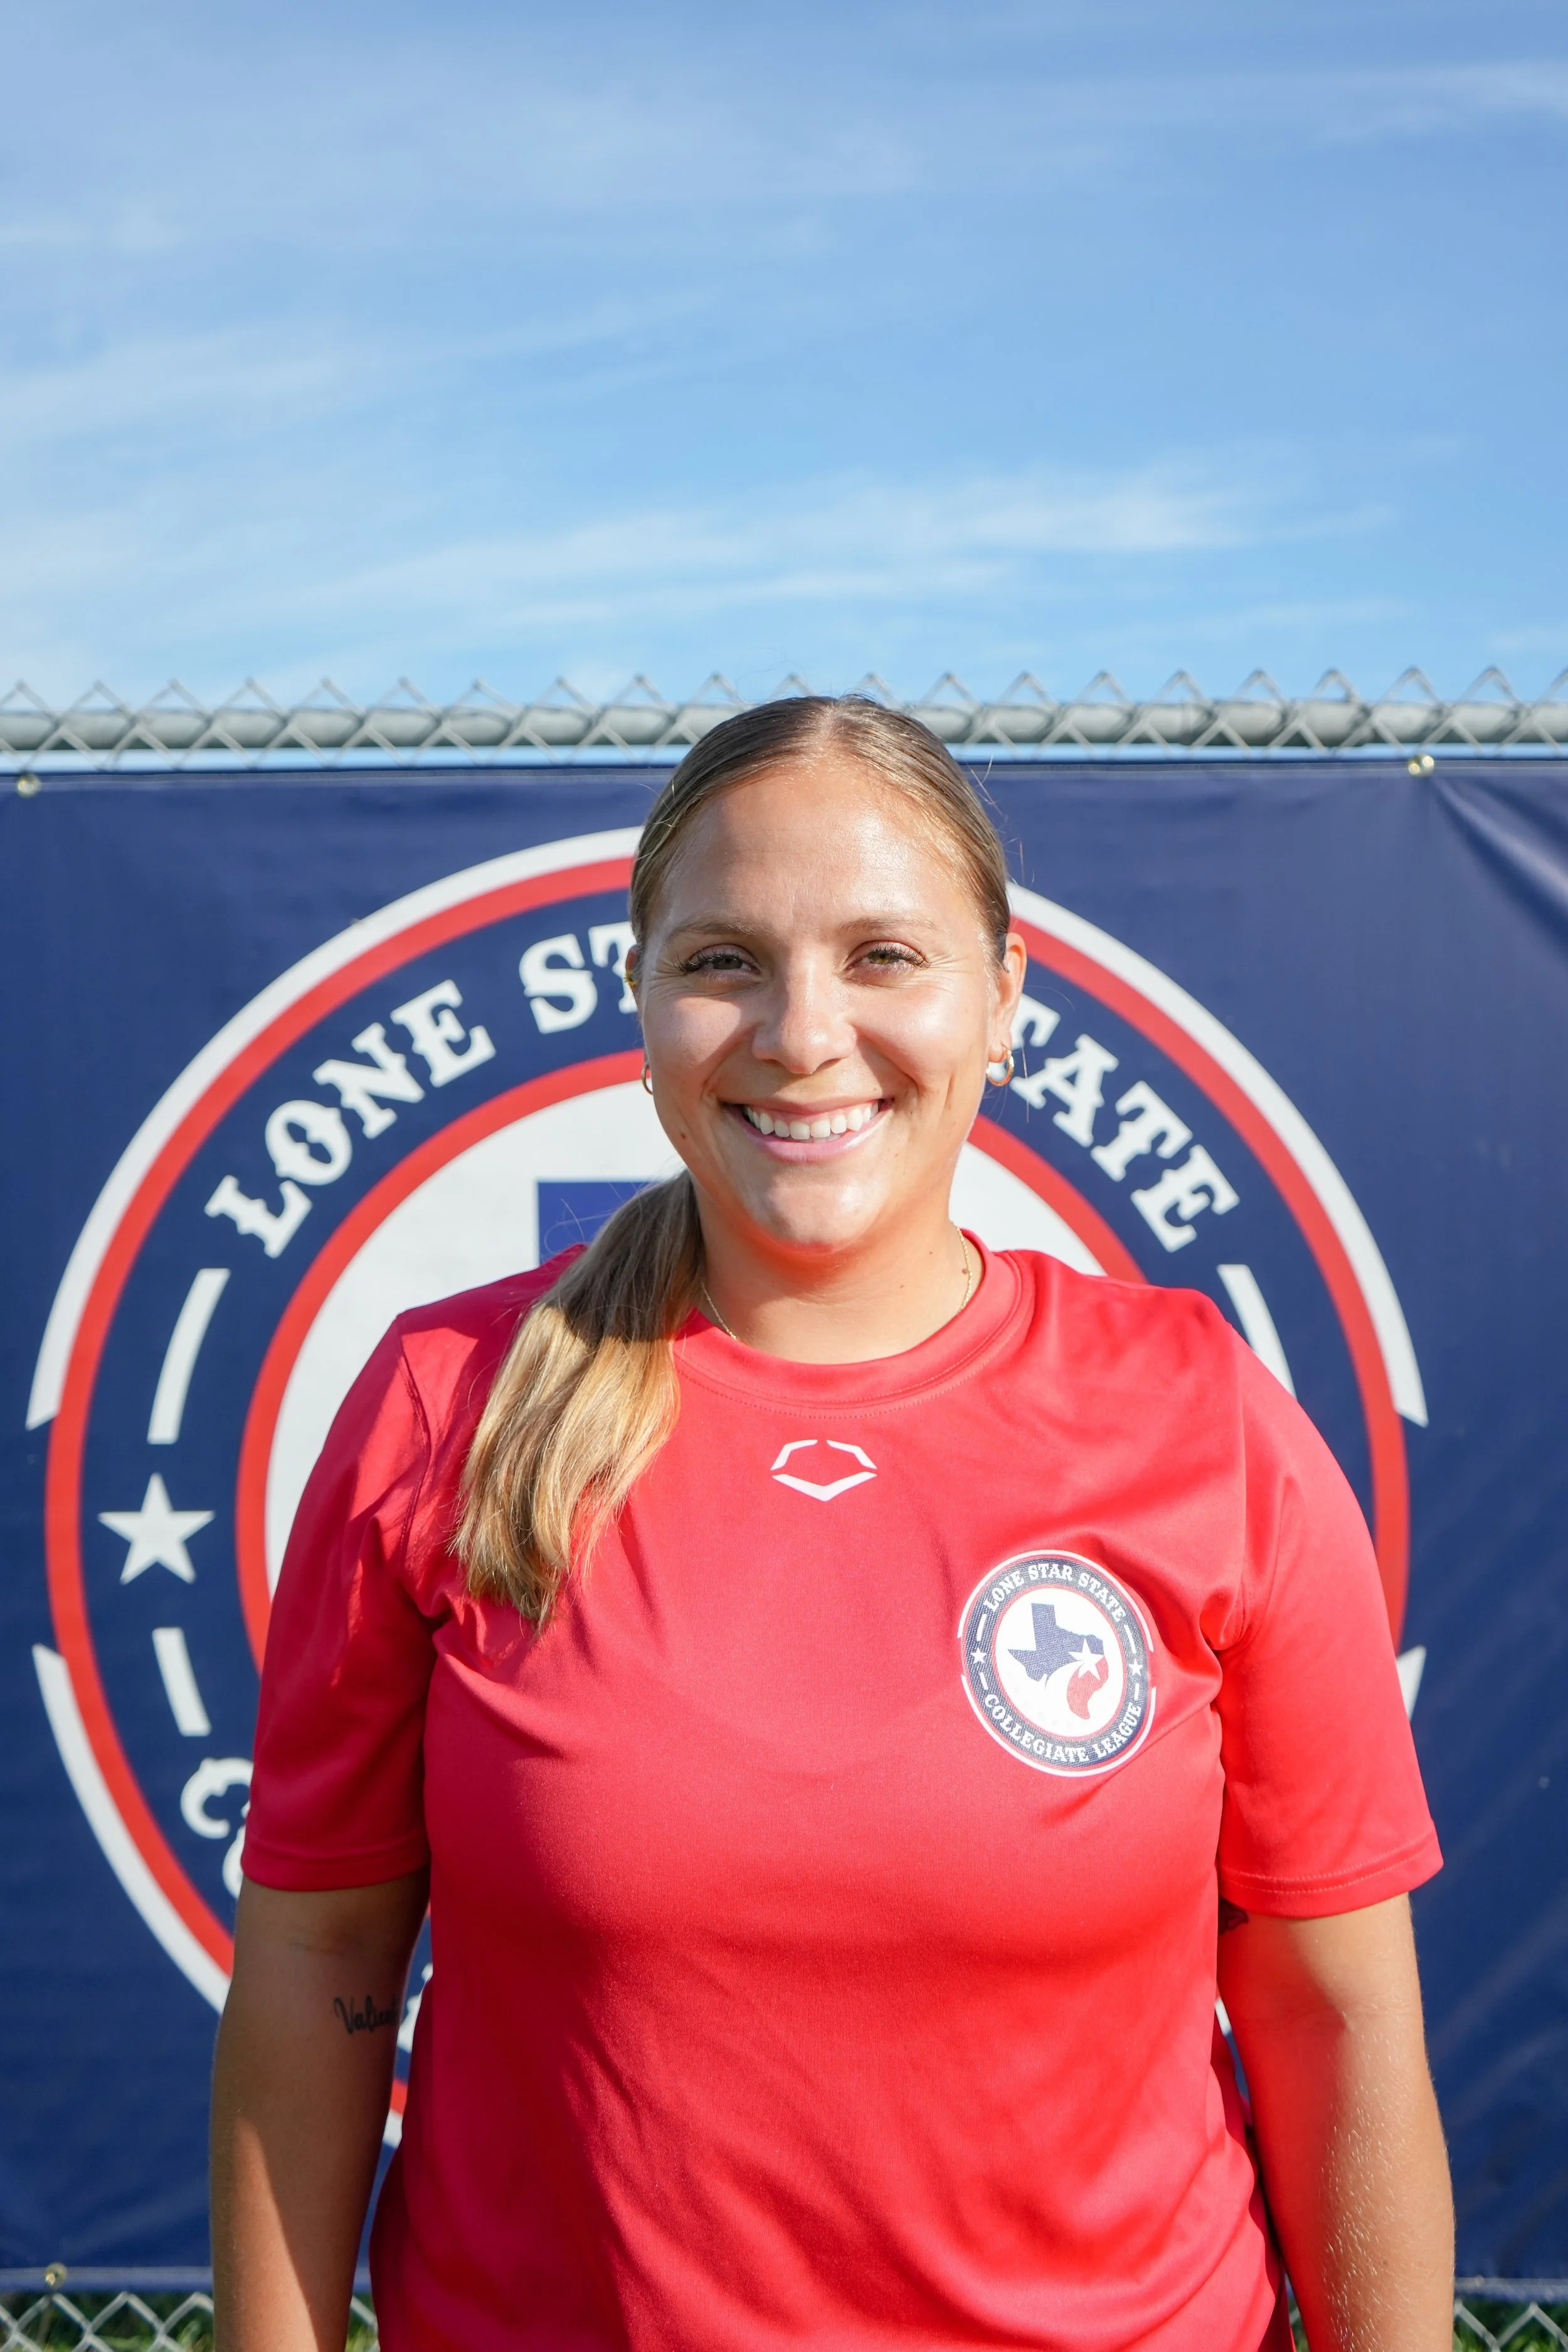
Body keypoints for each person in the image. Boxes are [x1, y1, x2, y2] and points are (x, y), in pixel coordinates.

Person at [211, 696, 1453, 2352]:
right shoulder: (448, 1403)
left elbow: (1334, 2011)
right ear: (638, 997)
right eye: (724, 958)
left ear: (1006, 1000)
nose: (802, 1033)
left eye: (883, 955)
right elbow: (320, 1956)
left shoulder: (1198, 1419)